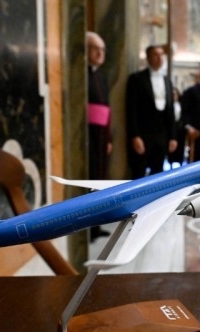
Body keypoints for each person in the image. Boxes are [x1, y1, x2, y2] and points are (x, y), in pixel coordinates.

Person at [125, 45, 177, 178]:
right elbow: (131, 109)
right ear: (148, 58)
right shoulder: (136, 78)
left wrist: (172, 137)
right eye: (155, 55)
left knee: (158, 174)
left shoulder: (167, 80)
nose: (160, 58)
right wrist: (135, 135)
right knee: (138, 173)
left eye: (162, 55)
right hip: (143, 134)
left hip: (162, 136)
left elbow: (170, 110)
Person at [87, 32, 112, 241]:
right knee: (89, 179)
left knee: (100, 180)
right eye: (95, 48)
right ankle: (87, 229)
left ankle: (96, 226)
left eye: (102, 49)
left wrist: (109, 138)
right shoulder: (81, 75)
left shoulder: (102, 77)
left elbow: (107, 111)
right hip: (88, 136)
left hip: (102, 136)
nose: (100, 53)